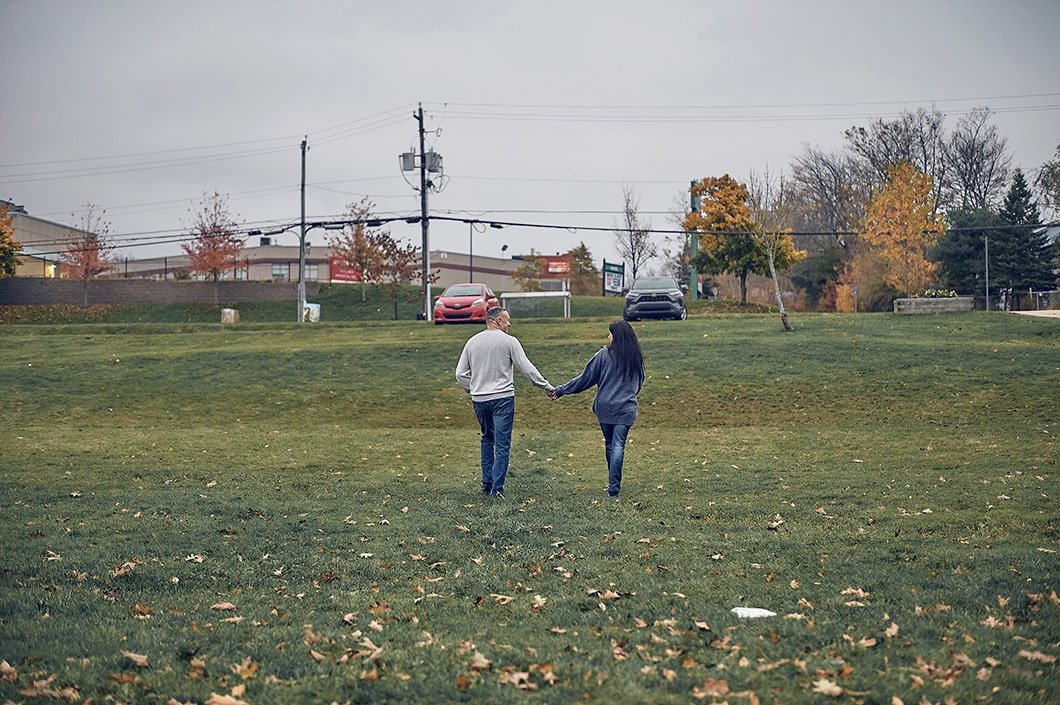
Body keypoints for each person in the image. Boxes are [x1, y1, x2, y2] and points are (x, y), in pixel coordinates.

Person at [456, 307, 554, 498]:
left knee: (487, 438)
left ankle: (487, 482)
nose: (509, 324)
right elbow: (527, 369)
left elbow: (460, 374)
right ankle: (497, 489)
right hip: (502, 399)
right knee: (502, 444)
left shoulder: (472, 342)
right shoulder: (509, 342)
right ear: (498, 321)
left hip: (480, 399)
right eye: (507, 320)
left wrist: (473, 387)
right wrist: (547, 387)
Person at [549, 319, 644, 499]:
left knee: (610, 444)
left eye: (609, 333)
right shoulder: (636, 358)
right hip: (626, 408)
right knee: (618, 444)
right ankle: (614, 486)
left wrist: (561, 390)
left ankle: (612, 483)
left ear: (615, 336)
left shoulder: (603, 355)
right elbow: (639, 382)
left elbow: (585, 379)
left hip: (605, 407)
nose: (608, 336)